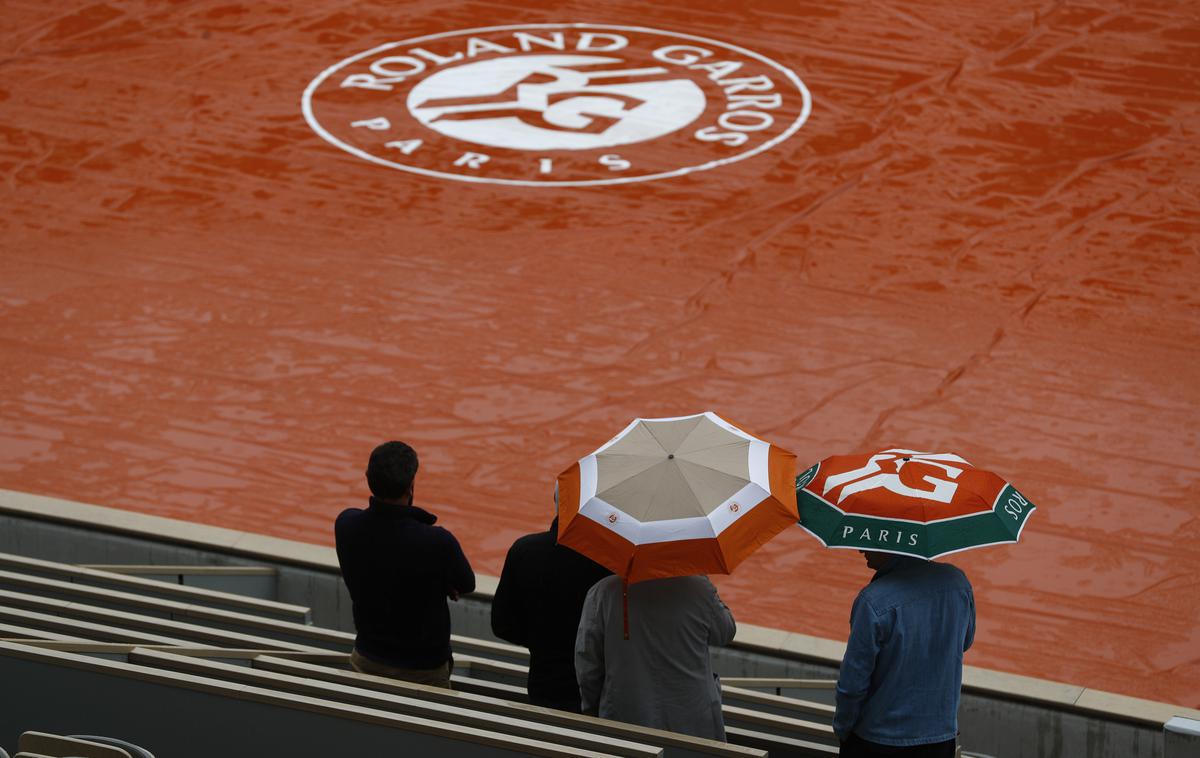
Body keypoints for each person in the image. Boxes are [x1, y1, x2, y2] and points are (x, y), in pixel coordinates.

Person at [334, 440, 475, 688]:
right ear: (411, 486)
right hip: (426, 673)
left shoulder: (346, 525)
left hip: (367, 659)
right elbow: (466, 583)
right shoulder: (437, 542)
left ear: (368, 479)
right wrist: (441, 581)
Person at [834, 551, 975, 757]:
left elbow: (853, 684)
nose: (860, 549)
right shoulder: (958, 583)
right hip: (940, 738)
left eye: (868, 541)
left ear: (888, 544)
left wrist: (842, 728)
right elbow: (965, 641)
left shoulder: (872, 600)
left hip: (876, 741)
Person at [575, 574, 736, 740]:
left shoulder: (602, 593)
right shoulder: (700, 588)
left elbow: (588, 668)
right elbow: (726, 631)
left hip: (626, 721)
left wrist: (592, 710)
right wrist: (706, 585)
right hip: (692, 723)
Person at [491, 511, 611, 711]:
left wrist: (541, 641)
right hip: (594, 694)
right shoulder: (609, 563)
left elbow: (502, 625)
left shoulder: (524, 550)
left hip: (542, 684)